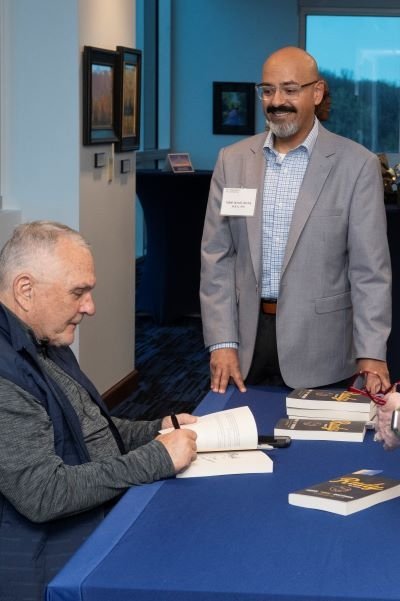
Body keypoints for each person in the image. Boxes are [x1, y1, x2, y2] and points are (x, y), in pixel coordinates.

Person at [0, 221, 198, 601]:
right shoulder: (7, 373)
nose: (90, 307)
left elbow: (85, 430)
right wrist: (155, 458)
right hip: (48, 560)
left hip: (94, 516)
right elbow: (44, 494)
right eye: (79, 293)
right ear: (25, 291)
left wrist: (156, 427)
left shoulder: (42, 338)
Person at [200, 46, 391, 396]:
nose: (277, 101)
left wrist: (371, 352)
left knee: (318, 450)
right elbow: (217, 259)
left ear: (316, 93)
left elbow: (370, 272)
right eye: (268, 90)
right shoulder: (233, 161)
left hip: (323, 347)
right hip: (244, 345)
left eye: (290, 90)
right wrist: (222, 342)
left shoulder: (356, 165)